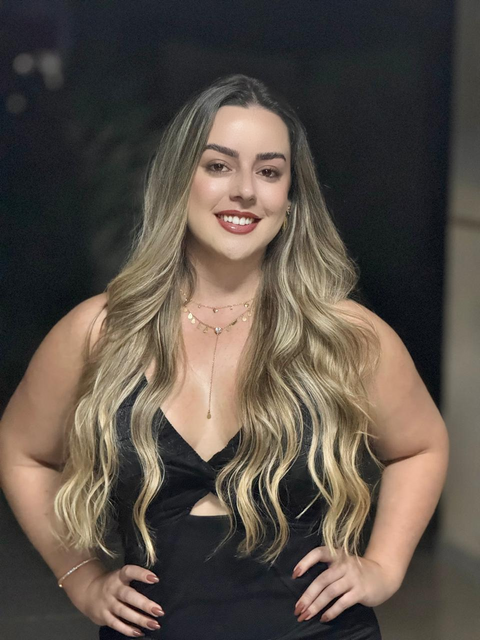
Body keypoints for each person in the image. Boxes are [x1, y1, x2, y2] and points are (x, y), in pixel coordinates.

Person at [0, 74, 449, 640]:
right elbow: (22, 452)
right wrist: (81, 578)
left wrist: (383, 567)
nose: (245, 191)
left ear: (291, 197)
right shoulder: (100, 331)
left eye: (269, 172)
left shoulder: (343, 333)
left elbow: (420, 446)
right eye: (218, 166)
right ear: (177, 179)